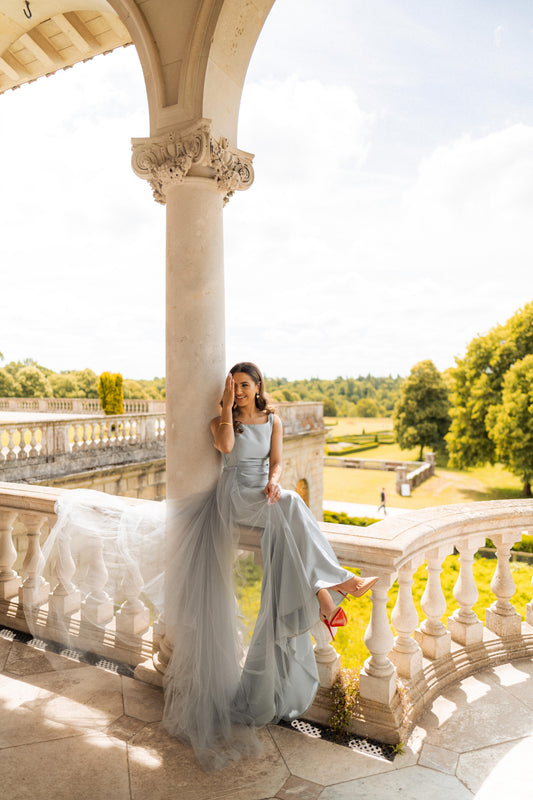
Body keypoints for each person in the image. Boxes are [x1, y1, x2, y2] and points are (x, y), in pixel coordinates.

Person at [161, 362, 378, 769]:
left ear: (259, 386)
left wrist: (275, 478)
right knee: (293, 506)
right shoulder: (222, 421)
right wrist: (226, 407)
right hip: (234, 495)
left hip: (265, 491)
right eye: (234, 386)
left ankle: (327, 595)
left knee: (288, 506)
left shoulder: (273, 420)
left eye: (245, 385)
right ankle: (338, 585)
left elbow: (276, 461)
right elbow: (225, 448)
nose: (240, 391)